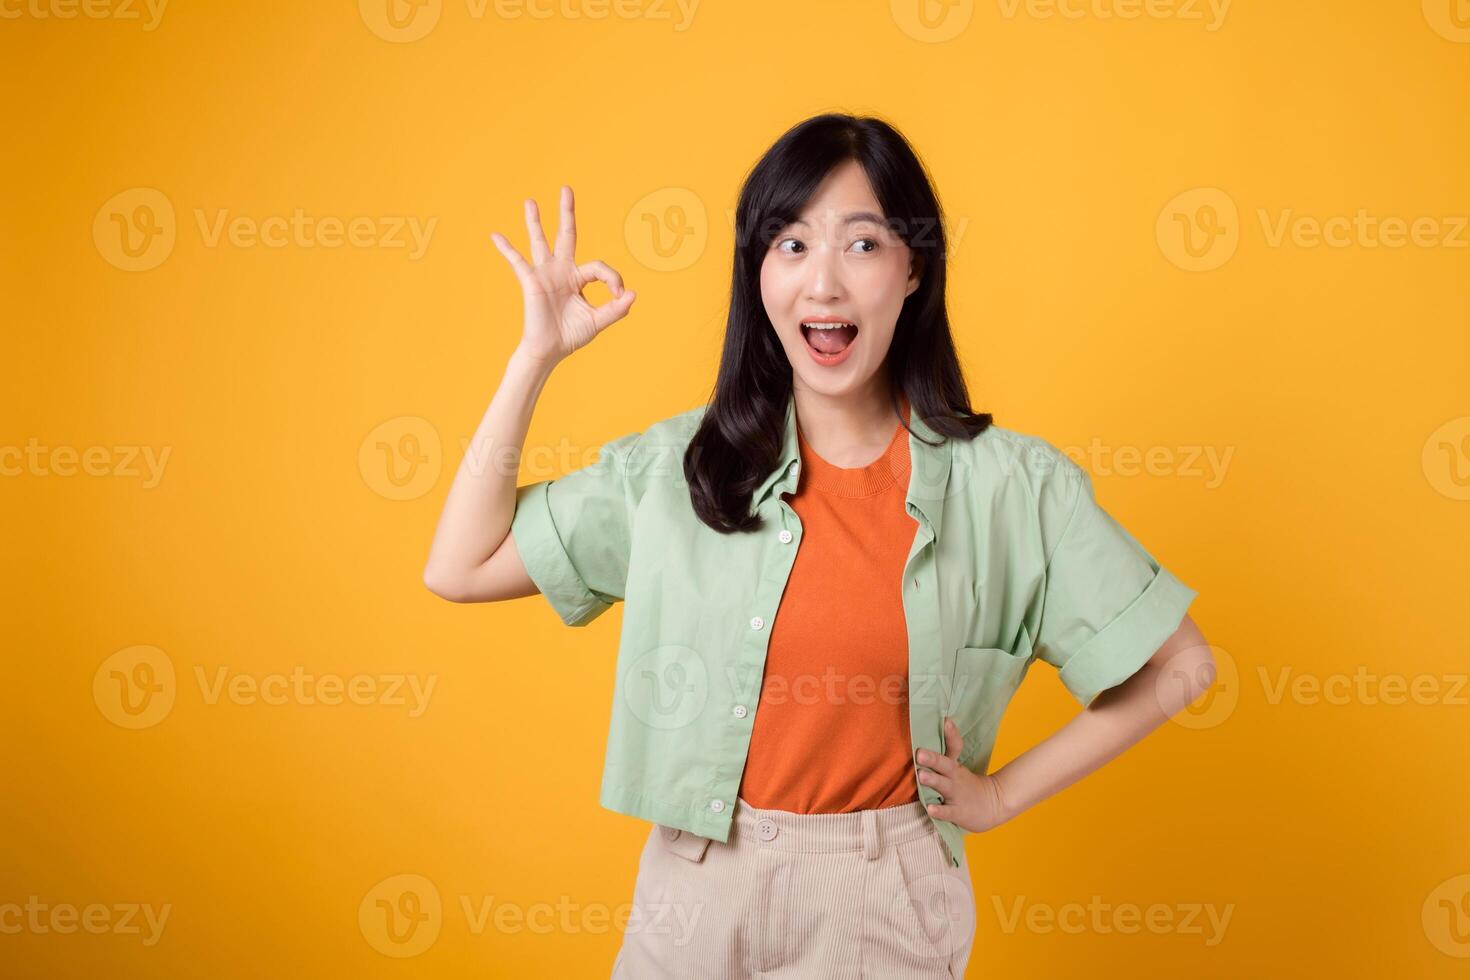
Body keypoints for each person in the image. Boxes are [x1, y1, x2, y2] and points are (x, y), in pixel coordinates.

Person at [423, 112, 1214, 979]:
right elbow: (460, 567)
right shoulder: (680, 469)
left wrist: (1003, 795)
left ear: (914, 267)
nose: (823, 284)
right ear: (756, 273)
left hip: (882, 902)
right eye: (790, 245)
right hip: (694, 890)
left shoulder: (1013, 489)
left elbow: (1181, 665)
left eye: (863, 245)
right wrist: (534, 357)